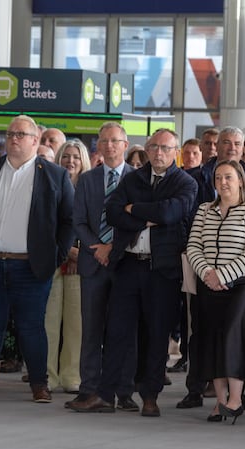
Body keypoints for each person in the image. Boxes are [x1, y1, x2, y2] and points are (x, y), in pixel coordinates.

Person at [73, 128, 197, 417]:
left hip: (162, 270)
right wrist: (148, 213)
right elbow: (114, 213)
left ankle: (150, 395)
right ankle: (105, 395)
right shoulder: (134, 178)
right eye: (154, 147)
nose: (158, 153)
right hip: (128, 264)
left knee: (156, 334)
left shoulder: (185, 182)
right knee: (117, 331)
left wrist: (134, 210)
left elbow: (170, 214)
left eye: (165, 148)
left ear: (175, 151)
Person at [0, 115, 75, 403]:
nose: (13, 139)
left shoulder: (54, 174)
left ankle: (39, 385)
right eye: (10, 134)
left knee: (31, 327)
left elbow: (68, 220)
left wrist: (54, 257)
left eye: (21, 134)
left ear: (35, 140)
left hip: (30, 267)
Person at [187, 160, 245, 423]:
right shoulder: (204, 210)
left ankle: (235, 399)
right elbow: (193, 246)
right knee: (211, 337)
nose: (223, 182)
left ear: (241, 181)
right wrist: (208, 274)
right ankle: (220, 401)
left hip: (242, 284)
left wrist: (223, 275)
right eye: (219, 177)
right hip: (208, 283)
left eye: (229, 177)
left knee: (232, 334)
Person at [68, 124, 136, 412]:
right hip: (93, 263)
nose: (109, 146)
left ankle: (124, 390)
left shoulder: (138, 179)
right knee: (91, 329)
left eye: (115, 141)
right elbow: (78, 220)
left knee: (124, 330)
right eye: (104, 141)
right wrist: (98, 247)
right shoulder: (88, 179)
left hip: (125, 263)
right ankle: (89, 389)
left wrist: (113, 247)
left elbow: (137, 221)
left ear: (125, 144)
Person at [43, 138, 90, 395]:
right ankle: (47, 376)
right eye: (66, 156)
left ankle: (72, 375)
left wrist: (78, 254)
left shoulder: (90, 186)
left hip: (80, 265)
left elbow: (92, 224)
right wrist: (66, 251)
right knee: (48, 323)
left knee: (76, 324)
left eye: (75, 156)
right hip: (53, 261)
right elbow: (44, 224)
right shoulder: (50, 185)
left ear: (83, 160)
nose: (70, 161)